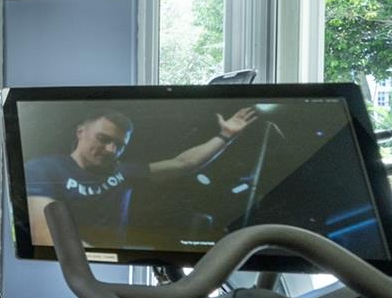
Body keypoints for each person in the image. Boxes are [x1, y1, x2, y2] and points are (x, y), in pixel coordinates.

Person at [25, 105, 258, 246]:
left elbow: (184, 163)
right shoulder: (44, 169)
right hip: (76, 268)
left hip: (105, 264)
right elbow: (44, 234)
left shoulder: (123, 172)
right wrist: (93, 266)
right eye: (103, 139)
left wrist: (225, 136)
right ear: (80, 132)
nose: (111, 150)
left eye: (119, 145)